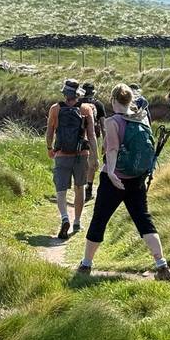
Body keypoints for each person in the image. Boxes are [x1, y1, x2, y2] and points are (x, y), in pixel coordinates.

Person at [77, 84, 170, 281]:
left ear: (113, 101)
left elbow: (111, 150)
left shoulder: (113, 122)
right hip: (137, 179)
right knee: (143, 220)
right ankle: (161, 265)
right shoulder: (142, 118)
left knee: (99, 219)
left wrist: (112, 173)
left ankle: (85, 265)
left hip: (114, 179)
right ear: (130, 100)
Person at [46, 79, 99, 239]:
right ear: (78, 95)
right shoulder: (86, 109)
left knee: (61, 190)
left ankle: (64, 218)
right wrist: (95, 157)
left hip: (61, 154)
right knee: (79, 188)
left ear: (64, 94)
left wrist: (50, 148)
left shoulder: (55, 109)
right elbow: (92, 135)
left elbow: (49, 132)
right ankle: (77, 221)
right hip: (81, 155)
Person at [78, 82, 106, 201]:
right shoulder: (98, 104)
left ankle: (79, 186)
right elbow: (103, 125)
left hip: (78, 137)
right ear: (93, 92)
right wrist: (105, 141)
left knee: (80, 161)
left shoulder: (77, 104)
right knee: (92, 162)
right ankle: (89, 187)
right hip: (94, 136)